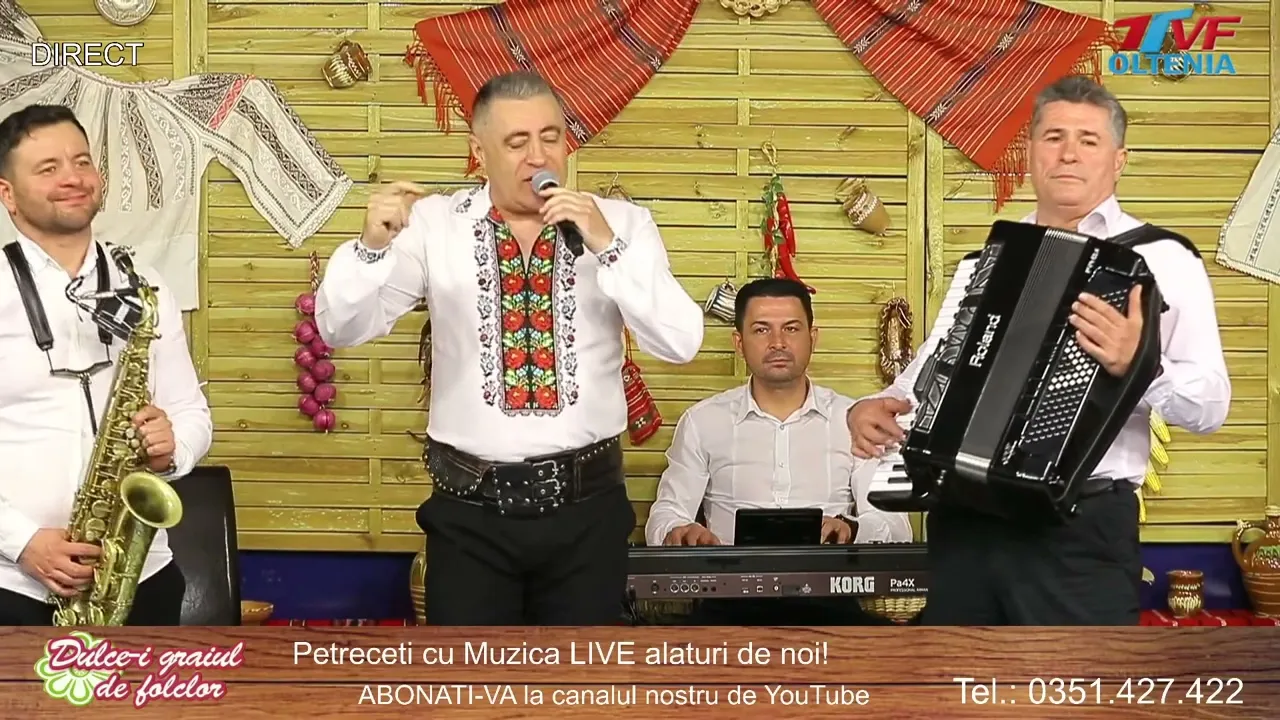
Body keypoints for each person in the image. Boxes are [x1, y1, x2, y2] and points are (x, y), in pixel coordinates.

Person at [314, 71, 704, 626]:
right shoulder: (435, 226)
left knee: (581, 676)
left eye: (551, 137)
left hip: (588, 514)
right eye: (517, 142)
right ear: (479, 152)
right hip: (468, 515)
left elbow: (681, 341)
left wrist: (608, 246)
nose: (537, 157)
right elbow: (341, 328)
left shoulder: (621, 224)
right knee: (469, 675)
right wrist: (371, 248)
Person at [846, 76, 1231, 625]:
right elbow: (937, 368)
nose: (1069, 153)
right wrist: (876, 406)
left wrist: (1140, 367)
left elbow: (1210, 407)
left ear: (1119, 160)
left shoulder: (1165, 260)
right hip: (964, 526)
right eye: (1053, 137)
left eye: (1088, 140)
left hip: (1079, 532)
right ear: (1029, 152)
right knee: (959, 679)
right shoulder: (983, 262)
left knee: (1082, 681)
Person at [0, 104, 212, 625]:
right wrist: (21, 541)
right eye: (48, 168)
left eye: (82, 161)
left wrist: (173, 449)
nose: (73, 178)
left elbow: (192, 413)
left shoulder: (145, 284)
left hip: (141, 574)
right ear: (7, 194)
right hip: (14, 585)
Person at [645, 278, 912, 625]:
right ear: (739, 343)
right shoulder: (702, 421)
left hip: (832, 602)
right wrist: (679, 531)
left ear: (813, 338)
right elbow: (665, 514)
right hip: (726, 605)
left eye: (791, 328)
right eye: (761, 330)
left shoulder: (854, 420)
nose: (778, 343)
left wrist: (850, 529)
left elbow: (896, 527)